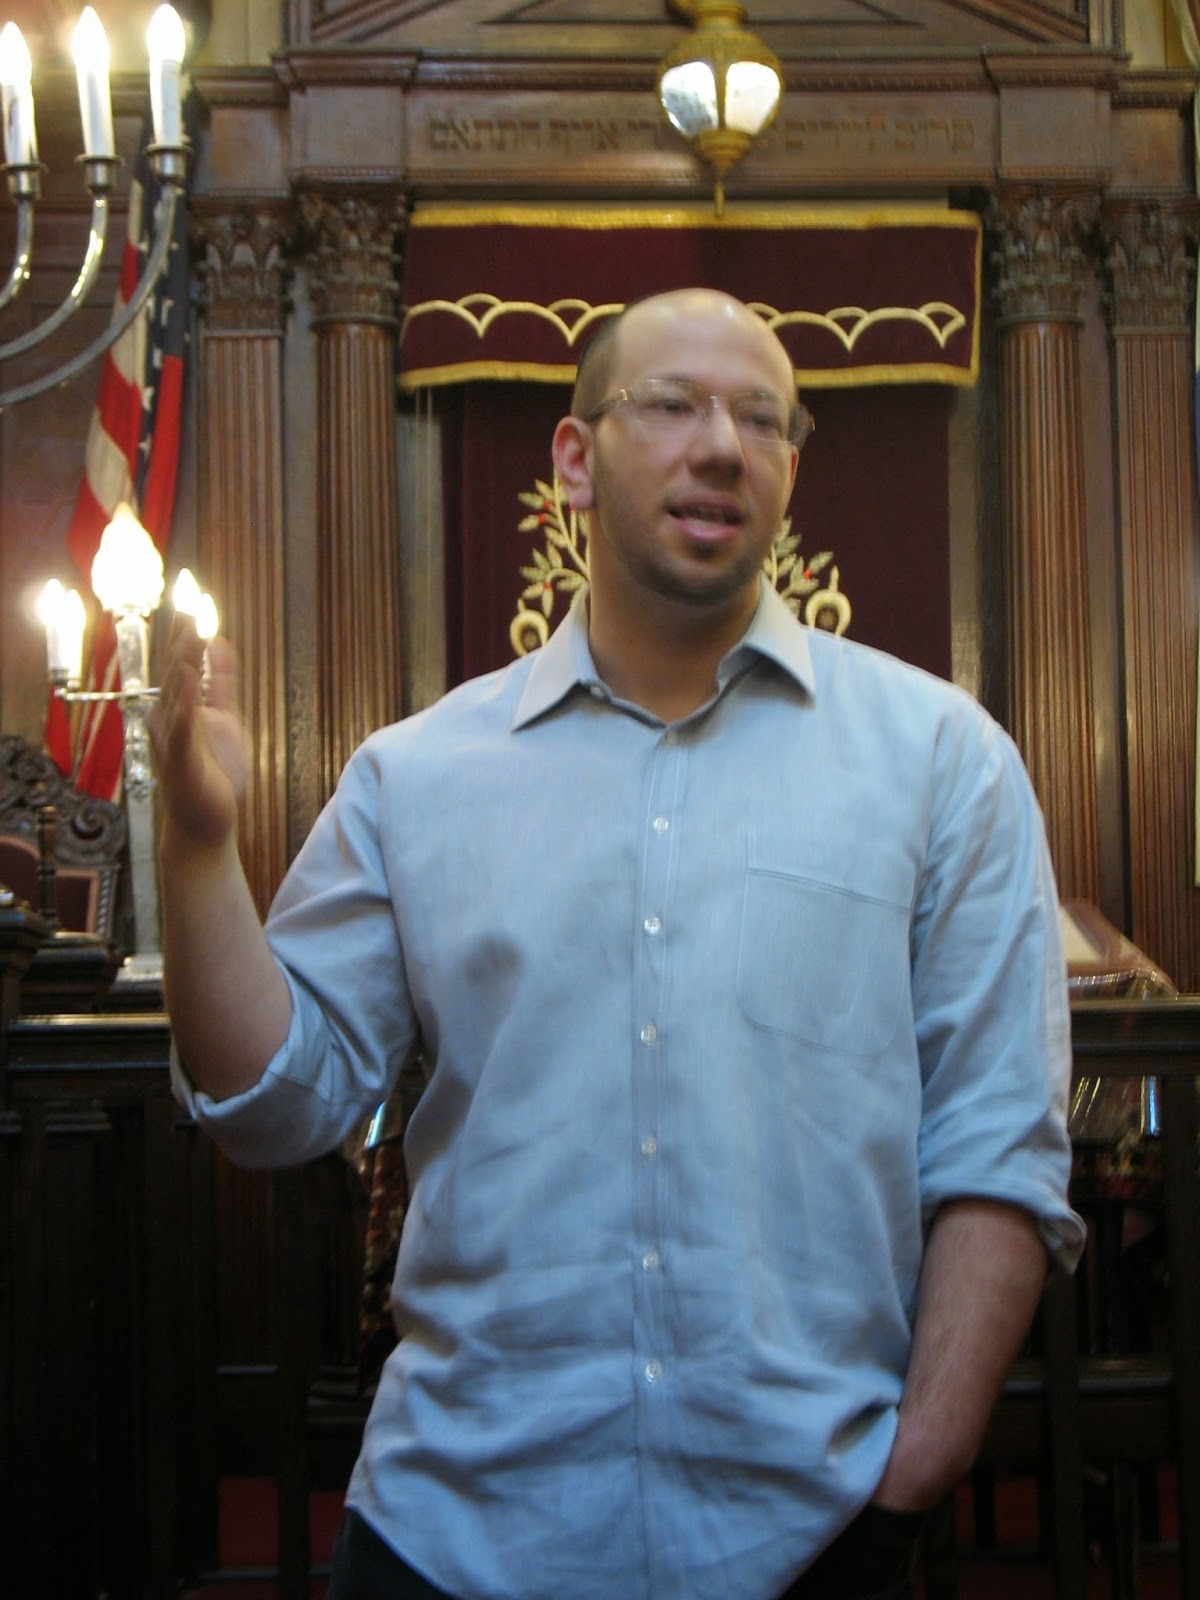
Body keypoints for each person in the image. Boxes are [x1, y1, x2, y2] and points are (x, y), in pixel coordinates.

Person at [153, 288, 1084, 1600]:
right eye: (674, 405)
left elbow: (998, 1147)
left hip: (811, 1537)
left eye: (763, 418)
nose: (722, 444)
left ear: (790, 472)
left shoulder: (941, 762)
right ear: (575, 460)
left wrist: (917, 1466)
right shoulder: (418, 776)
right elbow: (275, 1103)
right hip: (459, 1531)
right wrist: (195, 847)